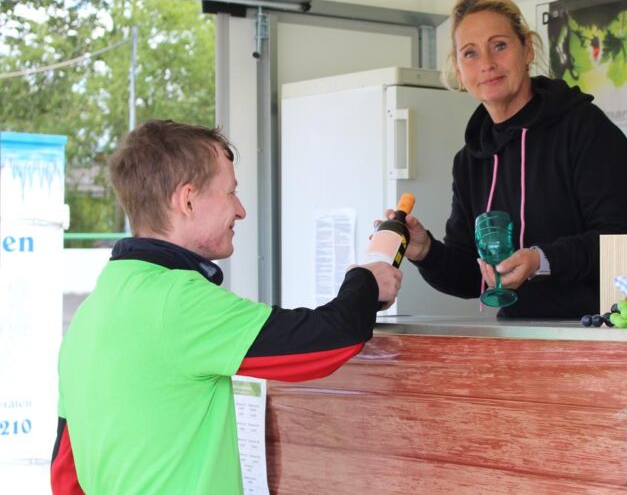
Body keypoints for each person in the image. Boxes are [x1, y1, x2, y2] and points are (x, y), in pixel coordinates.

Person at [50, 120, 402, 494]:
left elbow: (65, 470)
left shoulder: (93, 312)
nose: (241, 210)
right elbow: (330, 340)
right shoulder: (179, 301)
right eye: (230, 192)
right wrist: (367, 279)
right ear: (187, 200)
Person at [385, 0, 627, 318]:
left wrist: (541, 260)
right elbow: (472, 277)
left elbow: (624, 241)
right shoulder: (470, 161)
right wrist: (425, 250)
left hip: (596, 337)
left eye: (499, 46)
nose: (487, 64)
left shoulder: (584, 129)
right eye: (470, 53)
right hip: (515, 343)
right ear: (458, 68)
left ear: (526, 48)